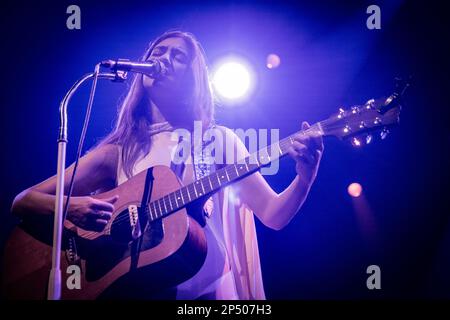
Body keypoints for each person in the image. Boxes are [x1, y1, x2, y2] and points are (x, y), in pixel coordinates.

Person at [11, 30, 324, 300]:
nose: (163, 59)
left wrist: (304, 179)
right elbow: (24, 202)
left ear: (194, 76)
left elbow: (273, 215)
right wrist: (72, 207)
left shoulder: (217, 139)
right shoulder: (120, 149)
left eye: (178, 56)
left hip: (199, 294)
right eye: (157, 52)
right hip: (132, 288)